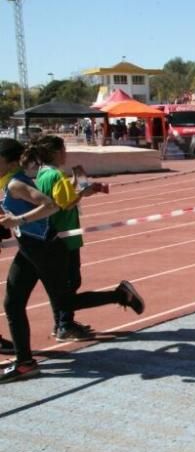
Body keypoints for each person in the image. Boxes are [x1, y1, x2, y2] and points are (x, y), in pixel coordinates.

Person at [34, 135, 144, 341]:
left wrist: (79, 186)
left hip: (54, 235)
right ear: (57, 152)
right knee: (69, 285)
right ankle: (66, 323)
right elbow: (65, 203)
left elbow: (60, 198)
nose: (66, 153)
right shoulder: (56, 175)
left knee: (63, 286)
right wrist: (83, 192)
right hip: (64, 236)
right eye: (64, 149)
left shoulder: (43, 174)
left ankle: (62, 323)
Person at [0, 139, 73, 382]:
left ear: (9, 162)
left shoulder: (16, 183)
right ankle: (25, 363)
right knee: (13, 303)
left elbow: (50, 205)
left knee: (64, 300)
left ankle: (120, 294)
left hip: (43, 248)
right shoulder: (8, 182)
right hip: (30, 249)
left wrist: (18, 221)